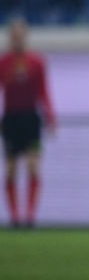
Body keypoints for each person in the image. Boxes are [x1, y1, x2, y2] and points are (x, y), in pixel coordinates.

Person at [0, 19, 55, 228]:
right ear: (10, 37)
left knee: (33, 166)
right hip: (11, 119)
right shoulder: (3, 62)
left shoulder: (36, 62)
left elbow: (44, 91)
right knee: (10, 169)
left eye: (20, 35)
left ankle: (30, 216)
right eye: (14, 35)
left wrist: (50, 117)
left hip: (31, 120)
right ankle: (15, 217)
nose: (17, 39)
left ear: (25, 36)